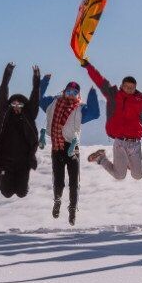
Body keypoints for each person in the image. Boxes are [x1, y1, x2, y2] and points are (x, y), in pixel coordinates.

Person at [83, 59, 142, 180]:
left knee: (138, 175)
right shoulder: (113, 95)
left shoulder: (140, 100)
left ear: (135, 87)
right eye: (126, 87)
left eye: (132, 87)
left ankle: (128, 163)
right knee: (119, 175)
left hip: (135, 143)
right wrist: (88, 66)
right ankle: (101, 158)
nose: (129, 89)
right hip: (120, 142)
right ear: (122, 86)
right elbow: (99, 80)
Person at [42, 76, 100, 225]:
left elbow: (95, 113)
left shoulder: (80, 109)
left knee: (74, 182)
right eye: (68, 92)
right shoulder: (53, 103)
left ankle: (73, 209)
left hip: (72, 148)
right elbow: (38, 98)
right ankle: (57, 200)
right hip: (57, 148)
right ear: (64, 91)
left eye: (74, 93)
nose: (71, 95)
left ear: (78, 95)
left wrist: (92, 93)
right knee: (59, 180)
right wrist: (44, 82)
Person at [0, 63, 40, 198]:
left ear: (24, 106)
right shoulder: (3, 115)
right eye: (14, 104)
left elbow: (35, 96)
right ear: (10, 105)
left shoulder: (29, 116)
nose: (16, 106)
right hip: (5, 162)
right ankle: (3, 180)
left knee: (22, 193)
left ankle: (21, 183)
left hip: (23, 162)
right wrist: (7, 73)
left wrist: (36, 79)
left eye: (20, 104)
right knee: (6, 193)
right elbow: (3, 90)